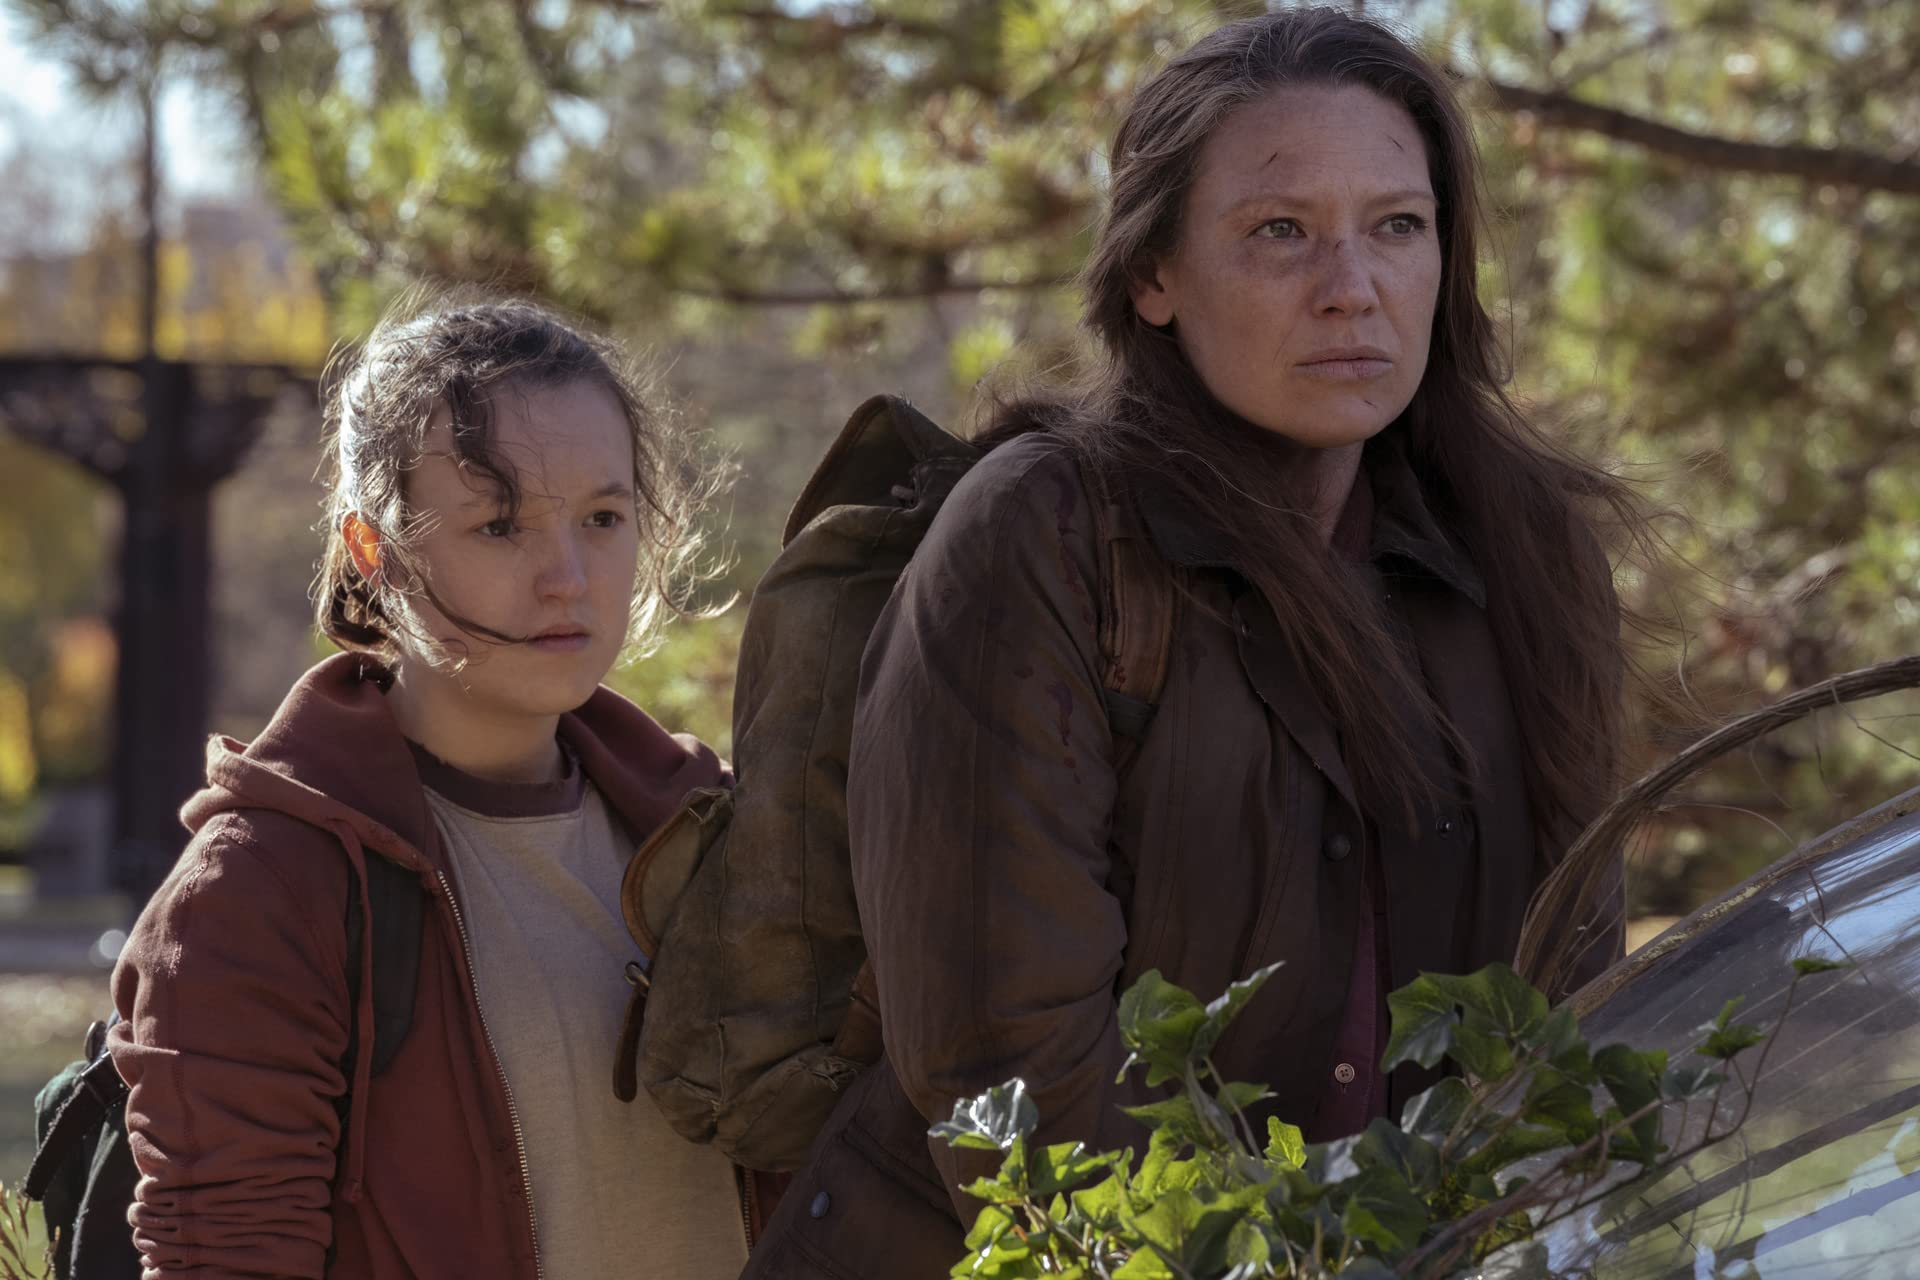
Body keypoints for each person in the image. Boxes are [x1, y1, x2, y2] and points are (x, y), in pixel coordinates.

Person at [744, 9, 1635, 1278]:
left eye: (1398, 224)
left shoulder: (1523, 556)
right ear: (1152, 277)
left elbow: (1571, 1010)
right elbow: (1010, 1072)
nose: (1352, 285)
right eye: (1280, 231)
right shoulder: (1042, 537)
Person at [106, 295, 771, 1278]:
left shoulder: (718, 831)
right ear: (374, 551)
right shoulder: (262, 890)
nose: (569, 576)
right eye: (500, 525)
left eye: (602, 517)